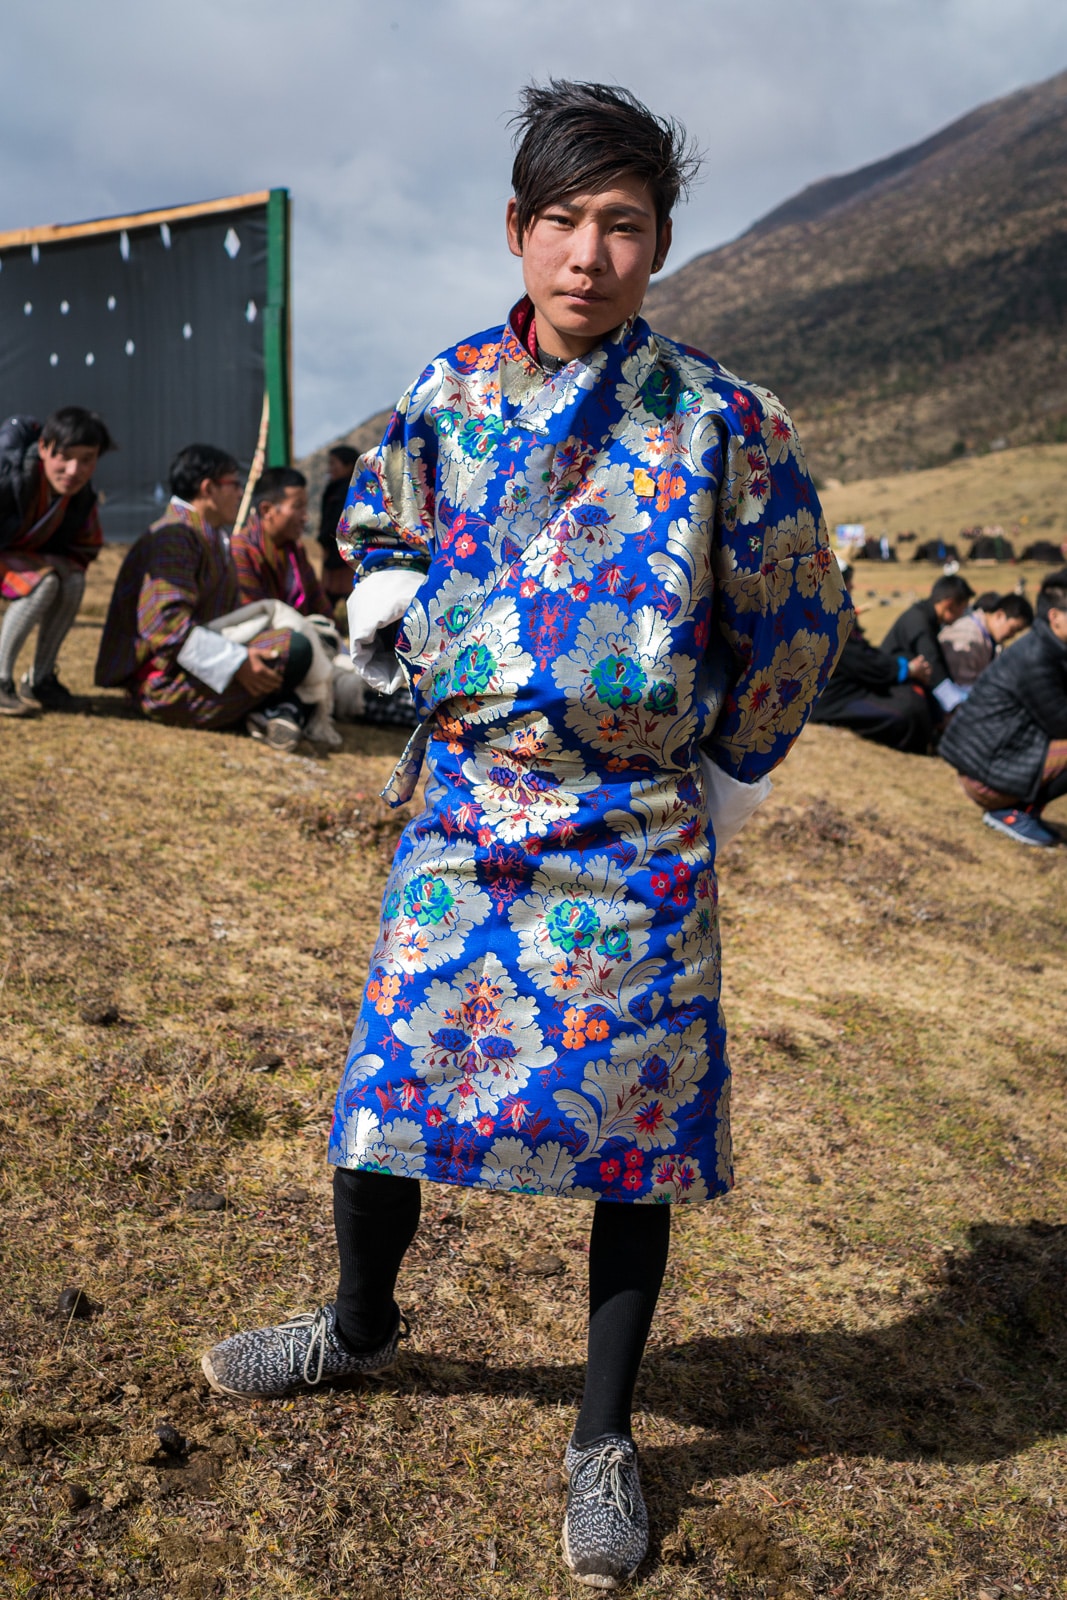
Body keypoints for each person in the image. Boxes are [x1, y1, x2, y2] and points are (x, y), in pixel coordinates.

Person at [200, 80, 850, 1589]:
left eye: (620, 225)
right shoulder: (442, 389)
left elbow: (799, 610)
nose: (586, 254)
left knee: (635, 1139)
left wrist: (733, 772)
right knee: (389, 1081)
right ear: (516, 229)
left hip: (634, 825)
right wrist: (381, 593)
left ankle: (602, 1437)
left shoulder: (722, 420)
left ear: (658, 244)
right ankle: (360, 1324)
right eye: (560, 220)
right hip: (467, 803)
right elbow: (380, 519)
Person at [95, 443, 314, 753]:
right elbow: (165, 626)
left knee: (300, 645)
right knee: (293, 650)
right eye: (234, 484)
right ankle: (280, 708)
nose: (240, 494)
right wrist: (237, 662)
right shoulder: (174, 535)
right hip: (161, 684)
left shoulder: (205, 534)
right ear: (208, 488)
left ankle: (278, 709)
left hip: (194, 667)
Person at [939, 568, 1067, 847]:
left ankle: (1020, 809)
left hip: (988, 759)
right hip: (986, 774)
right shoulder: (1038, 657)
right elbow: (1061, 723)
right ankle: (1014, 813)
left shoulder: (1045, 648)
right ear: (1055, 617)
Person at [0, 406, 113, 716]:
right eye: (64, 456)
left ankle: (40, 679)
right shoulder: (7, 475)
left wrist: (61, 563)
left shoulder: (79, 497)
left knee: (72, 579)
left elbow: (83, 548)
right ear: (43, 449)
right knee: (43, 582)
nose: (74, 470)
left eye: (87, 459)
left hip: (18, 557)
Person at [810, 561, 933, 752]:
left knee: (911, 695)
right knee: (905, 714)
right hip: (832, 698)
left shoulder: (836, 611)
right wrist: (907, 669)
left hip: (851, 684)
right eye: (847, 581)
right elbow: (859, 660)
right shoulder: (823, 618)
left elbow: (862, 653)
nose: (852, 586)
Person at [232, 466, 331, 617]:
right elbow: (253, 617)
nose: (305, 517)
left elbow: (318, 603)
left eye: (305, 507)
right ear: (267, 510)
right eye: (298, 506)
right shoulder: (240, 552)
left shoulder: (296, 552)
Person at [880, 574, 974, 715]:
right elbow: (932, 664)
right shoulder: (920, 622)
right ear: (949, 604)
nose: (962, 614)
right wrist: (955, 705)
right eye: (962, 608)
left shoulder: (926, 616)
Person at [938, 591, 1033, 688]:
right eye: (1013, 629)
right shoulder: (968, 639)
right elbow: (963, 686)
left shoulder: (987, 637)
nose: (1012, 635)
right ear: (999, 615)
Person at [318, 445, 358, 606]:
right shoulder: (334, 489)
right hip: (333, 548)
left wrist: (324, 537)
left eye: (334, 464)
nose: (330, 469)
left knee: (345, 593)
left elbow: (337, 520)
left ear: (348, 466)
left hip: (343, 551)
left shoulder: (347, 491)